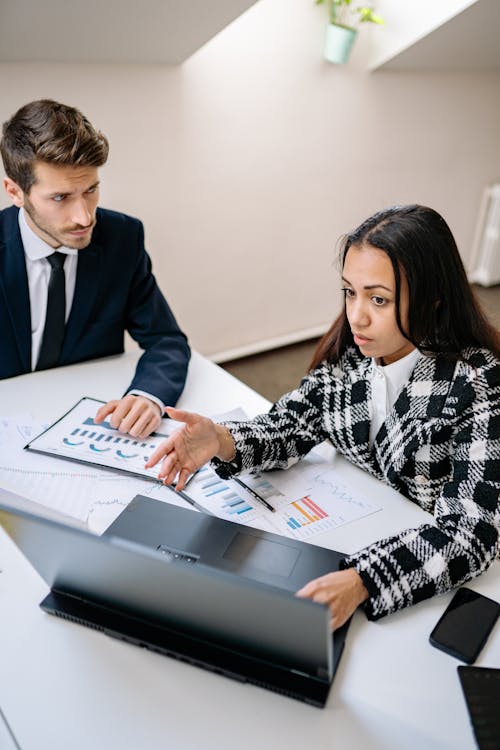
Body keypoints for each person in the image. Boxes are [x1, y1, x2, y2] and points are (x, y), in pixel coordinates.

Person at [146, 204, 500, 629]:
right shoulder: (353, 352)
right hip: (359, 529)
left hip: (433, 576)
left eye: (379, 299)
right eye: (350, 292)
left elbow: (472, 530)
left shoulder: (478, 383)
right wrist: (221, 440)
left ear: (433, 300)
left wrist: (363, 580)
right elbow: (292, 423)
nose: (356, 316)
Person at [0, 99, 190, 438]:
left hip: (94, 426)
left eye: (91, 190)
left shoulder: (123, 238)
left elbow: (166, 340)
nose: (84, 217)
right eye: (60, 197)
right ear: (15, 191)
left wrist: (147, 397)